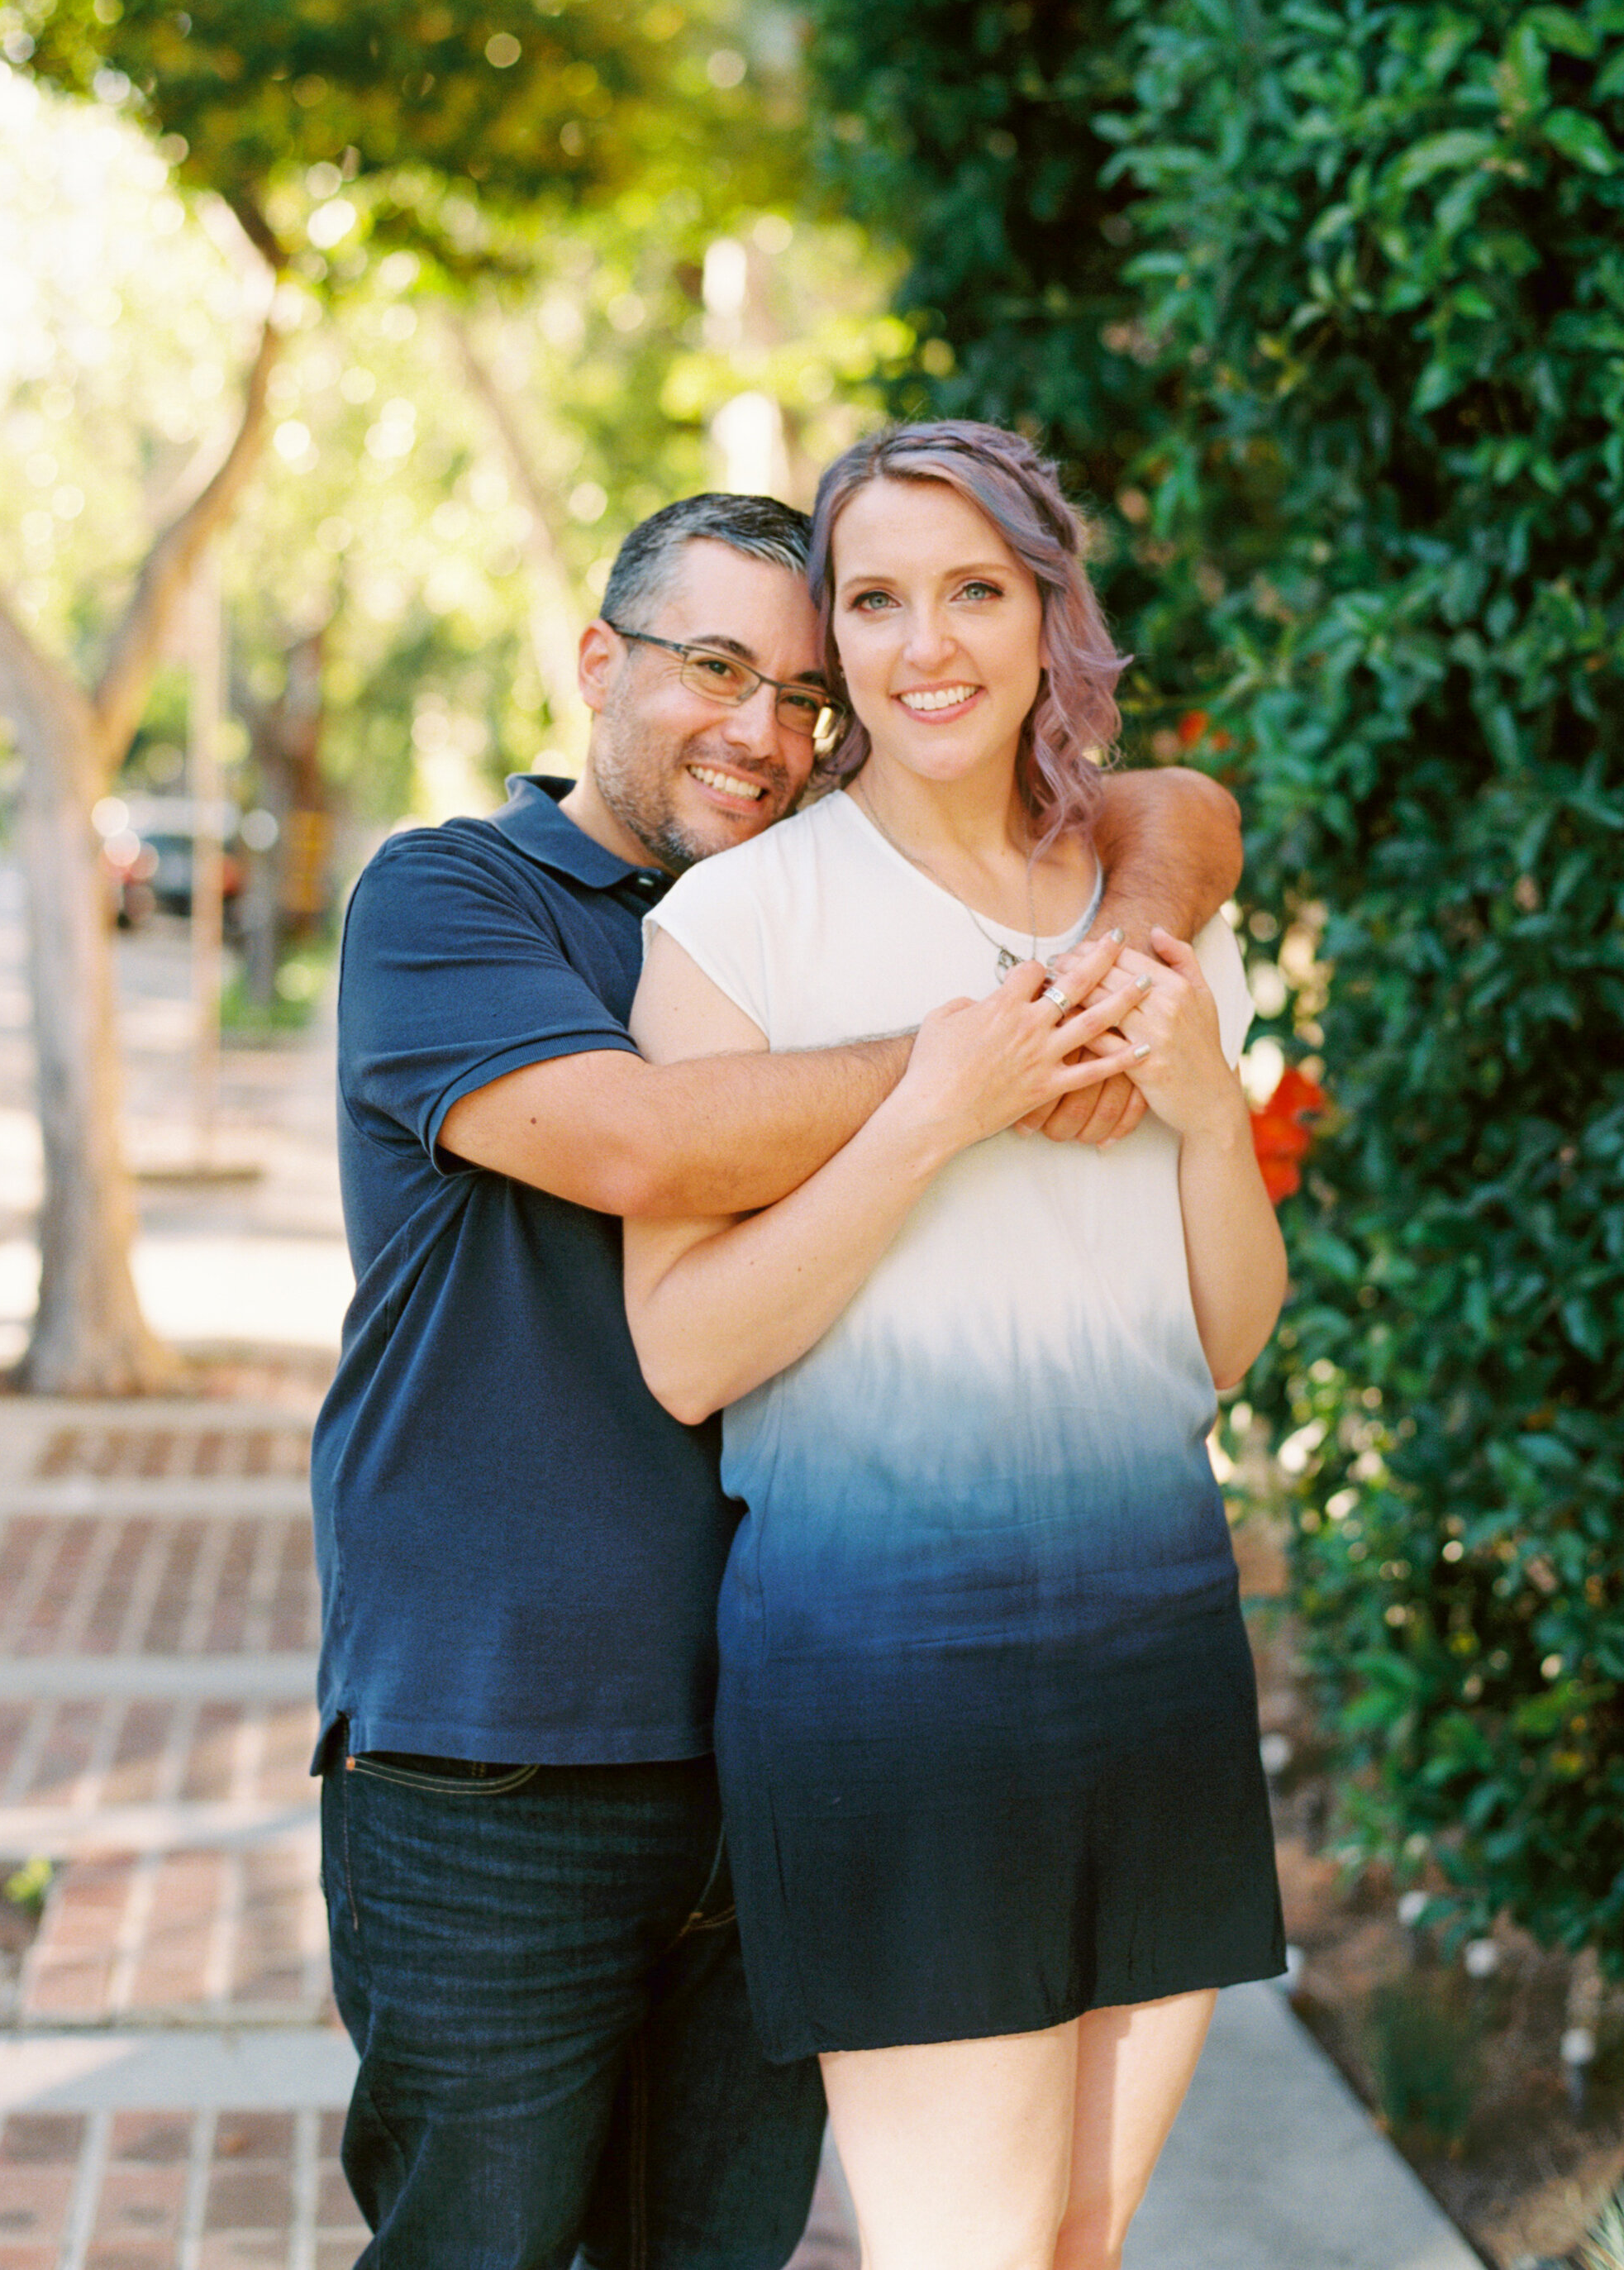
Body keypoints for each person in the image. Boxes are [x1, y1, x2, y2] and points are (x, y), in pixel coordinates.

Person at [315, 486, 1245, 2270]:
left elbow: (1172, 806)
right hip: (498, 1744)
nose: (764, 728)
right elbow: (648, 1141)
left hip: (786, 1739)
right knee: (474, 2246)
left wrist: (1102, 943)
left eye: (807, 692)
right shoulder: (453, 896)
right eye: (713, 666)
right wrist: (993, 1039)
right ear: (598, 662)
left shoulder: (825, 903)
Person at [623, 431, 1288, 2270]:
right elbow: (683, 1350)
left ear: (1046, 611)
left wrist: (1204, 1112)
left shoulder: (1148, 922)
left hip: (1152, 1629)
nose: (929, 642)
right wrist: (931, 1107)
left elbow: (1218, 1342)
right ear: (832, 640)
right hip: (887, 1665)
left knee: (1079, 2239)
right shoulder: (739, 927)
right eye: (876, 597)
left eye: (974, 587)